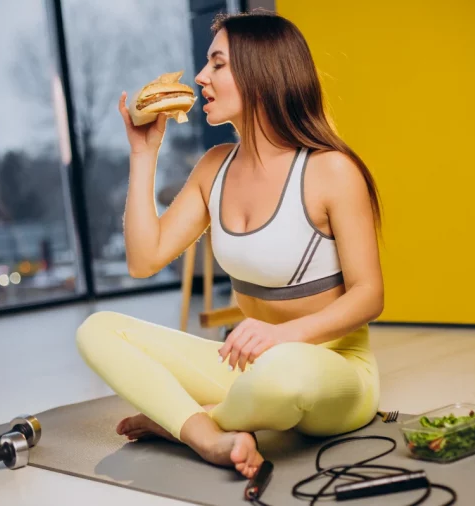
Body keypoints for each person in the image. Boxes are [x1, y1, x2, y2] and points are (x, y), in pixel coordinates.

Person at [75, 11, 384, 480]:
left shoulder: (331, 170)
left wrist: (283, 336)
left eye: (217, 64)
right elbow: (144, 260)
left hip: (330, 369)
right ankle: (208, 436)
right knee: (97, 329)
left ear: (262, 73)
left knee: (282, 376)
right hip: (247, 369)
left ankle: (180, 422)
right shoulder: (214, 167)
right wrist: (143, 155)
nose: (201, 77)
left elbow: (369, 295)